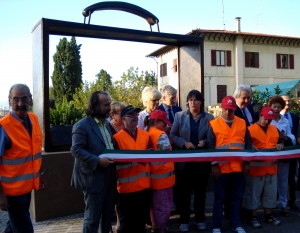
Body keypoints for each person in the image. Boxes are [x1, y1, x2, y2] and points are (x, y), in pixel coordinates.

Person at [0, 84, 43, 233]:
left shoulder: (33, 119)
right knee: (24, 228)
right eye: (15, 100)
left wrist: (39, 176)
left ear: (30, 100)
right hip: (12, 193)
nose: (20, 104)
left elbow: (34, 152)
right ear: (9, 101)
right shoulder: (3, 126)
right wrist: (0, 195)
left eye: (24, 99)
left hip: (27, 188)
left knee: (13, 227)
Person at [71, 91, 116, 233]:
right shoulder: (82, 126)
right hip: (93, 179)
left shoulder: (108, 125)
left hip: (109, 177)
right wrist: (97, 161)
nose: (109, 107)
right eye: (106, 104)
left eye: (110, 103)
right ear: (95, 106)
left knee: (107, 217)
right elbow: (76, 150)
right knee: (92, 219)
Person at [169, 89, 214, 232]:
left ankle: (200, 219)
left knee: (201, 193)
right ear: (187, 102)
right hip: (184, 163)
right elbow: (172, 135)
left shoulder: (210, 118)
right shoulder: (179, 116)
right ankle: (184, 220)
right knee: (184, 193)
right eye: (190, 100)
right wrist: (183, 143)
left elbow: (213, 138)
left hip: (201, 162)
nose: (193, 102)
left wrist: (205, 141)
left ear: (201, 102)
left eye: (196, 100)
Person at [207, 96, 252, 233]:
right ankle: (216, 226)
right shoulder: (214, 124)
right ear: (221, 108)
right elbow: (210, 146)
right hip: (221, 168)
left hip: (238, 167)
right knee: (219, 199)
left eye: (231, 110)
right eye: (225, 109)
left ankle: (236, 224)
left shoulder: (242, 123)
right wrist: (214, 165)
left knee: (236, 197)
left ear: (234, 110)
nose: (227, 112)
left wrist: (247, 162)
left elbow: (247, 144)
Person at [242, 106, 283, 228]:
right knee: (253, 195)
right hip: (255, 170)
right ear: (260, 116)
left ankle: (268, 216)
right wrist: (250, 147)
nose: (268, 121)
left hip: (271, 170)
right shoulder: (250, 130)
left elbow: (283, 140)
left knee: (270, 194)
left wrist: (281, 143)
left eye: (270, 119)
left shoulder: (275, 129)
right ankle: (252, 217)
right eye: (266, 118)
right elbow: (244, 146)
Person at [113, 105, 151, 233]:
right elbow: (115, 163)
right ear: (123, 119)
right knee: (126, 225)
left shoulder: (145, 135)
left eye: (136, 115)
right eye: (131, 115)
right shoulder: (117, 138)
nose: (135, 117)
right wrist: (136, 159)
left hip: (144, 188)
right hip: (126, 191)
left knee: (141, 224)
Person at [145, 110, 175, 233]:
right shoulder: (161, 135)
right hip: (164, 180)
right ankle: (161, 229)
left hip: (151, 178)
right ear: (157, 121)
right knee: (164, 208)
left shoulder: (147, 133)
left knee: (154, 206)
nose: (166, 126)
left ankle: (155, 226)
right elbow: (166, 156)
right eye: (164, 123)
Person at [268, 96, 296, 217]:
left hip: (284, 156)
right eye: (274, 106)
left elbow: (292, 137)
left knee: (283, 181)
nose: (276, 109)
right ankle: (271, 206)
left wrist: (286, 138)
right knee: (271, 182)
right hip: (271, 156)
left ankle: (284, 205)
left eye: (279, 107)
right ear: (270, 107)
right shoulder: (267, 120)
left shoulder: (285, 120)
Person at [281, 95, 300, 211]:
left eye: (289, 101)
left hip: (292, 152)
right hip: (280, 153)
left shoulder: (294, 116)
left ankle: (291, 201)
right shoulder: (276, 117)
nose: (287, 103)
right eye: (285, 101)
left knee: (292, 177)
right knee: (281, 179)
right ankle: (279, 203)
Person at [109, 101, 126, 233]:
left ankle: (122, 221)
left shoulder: (125, 126)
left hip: (125, 168)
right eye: (122, 113)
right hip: (112, 167)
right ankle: (113, 223)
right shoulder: (108, 128)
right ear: (113, 115)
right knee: (113, 196)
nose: (124, 116)